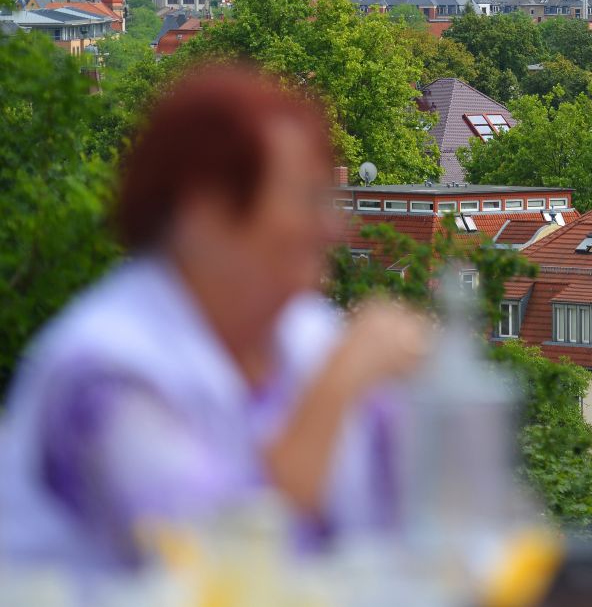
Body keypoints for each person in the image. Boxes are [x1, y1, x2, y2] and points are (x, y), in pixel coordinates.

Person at [0, 65, 429, 577]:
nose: (332, 228)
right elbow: (218, 568)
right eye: (305, 200)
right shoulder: (105, 373)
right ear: (205, 214)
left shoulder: (304, 334)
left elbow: (423, 521)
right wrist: (338, 386)